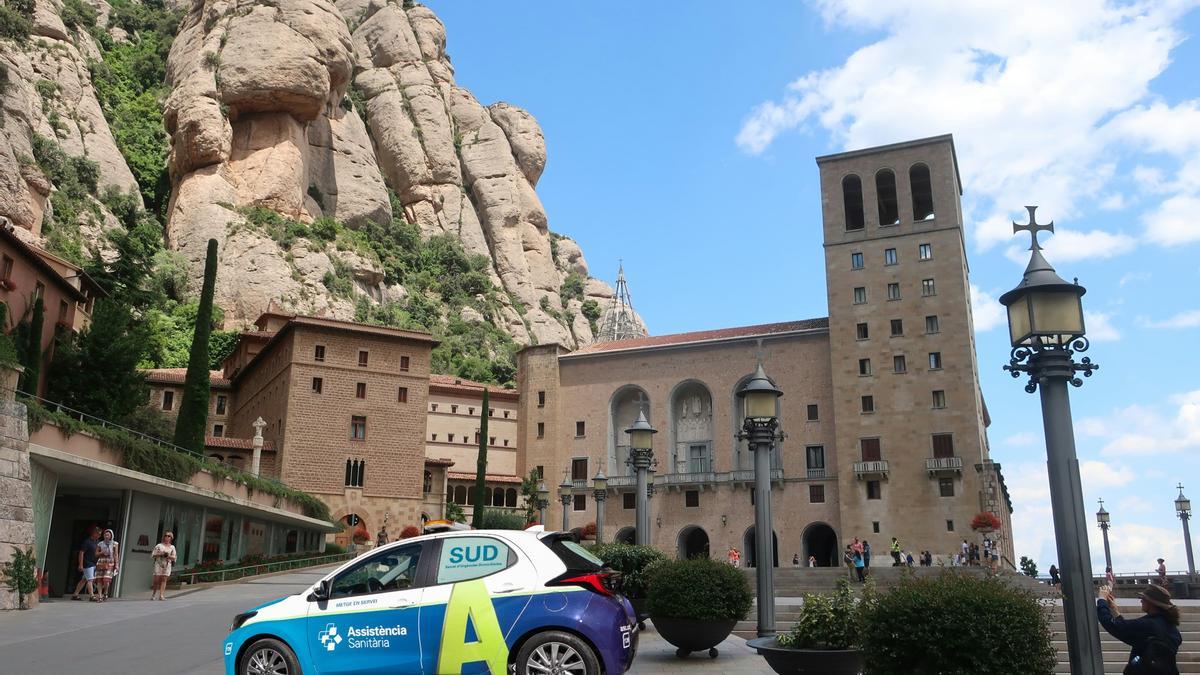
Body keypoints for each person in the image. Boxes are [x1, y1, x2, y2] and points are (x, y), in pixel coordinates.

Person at [1097, 584, 1181, 674]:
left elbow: (1113, 625)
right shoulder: (1170, 627)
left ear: (1151, 602)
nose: (1141, 601)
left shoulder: (1149, 625)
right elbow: (1127, 629)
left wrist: (1102, 600)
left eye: (1143, 598)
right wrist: (1115, 611)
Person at [71, 527, 101, 601]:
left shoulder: (97, 542)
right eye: (97, 533)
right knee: (90, 579)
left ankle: (75, 594)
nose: (99, 535)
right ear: (93, 533)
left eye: (100, 534)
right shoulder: (87, 542)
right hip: (87, 563)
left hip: (94, 563)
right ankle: (92, 596)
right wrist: (81, 564)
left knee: (84, 579)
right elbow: (81, 553)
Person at [151, 532, 177, 601]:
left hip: (167, 565)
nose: (167, 537)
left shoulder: (172, 547)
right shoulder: (159, 545)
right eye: (166, 535)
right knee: (156, 579)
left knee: (164, 579)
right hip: (159, 564)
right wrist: (161, 554)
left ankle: (161, 595)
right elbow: (153, 555)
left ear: (171, 538)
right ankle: (153, 594)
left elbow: (174, 557)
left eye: (169, 536)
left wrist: (168, 556)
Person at [94, 529, 119, 602]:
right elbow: (96, 554)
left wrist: (117, 564)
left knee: (106, 580)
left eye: (108, 534)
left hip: (110, 562)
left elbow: (116, 554)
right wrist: (101, 552)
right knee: (99, 579)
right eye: (105, 534)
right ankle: (100, 596)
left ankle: (105, 592)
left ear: (111, 535)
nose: (106, 536)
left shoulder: (115, 543)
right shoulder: (100, 544)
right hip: (101, 562)